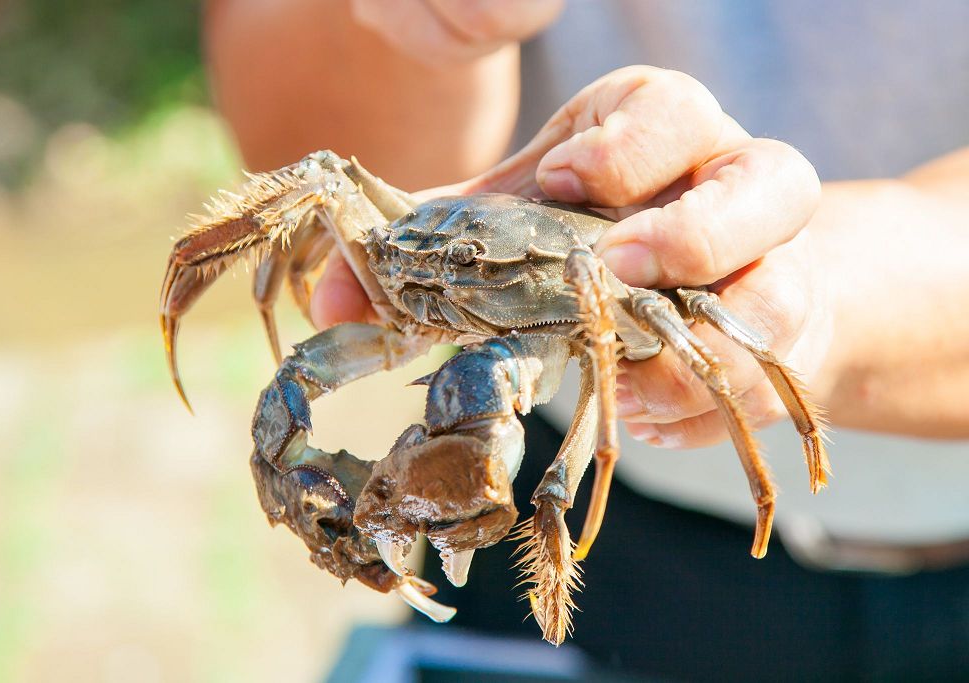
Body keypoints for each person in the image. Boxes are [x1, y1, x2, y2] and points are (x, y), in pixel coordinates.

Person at [205, 1, 969, 680]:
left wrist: (807, 301)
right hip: (609, 543)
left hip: (930, 562)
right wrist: (440, 37)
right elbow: (296, 138)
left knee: (592, 379)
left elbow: (755, 325)